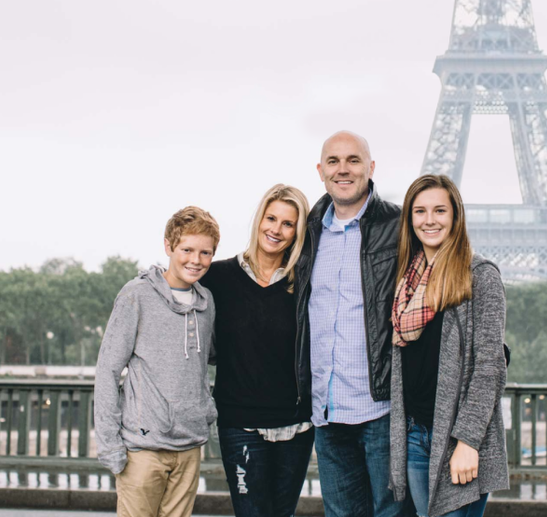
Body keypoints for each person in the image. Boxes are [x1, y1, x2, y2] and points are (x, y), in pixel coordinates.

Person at [295, 130, 407, 517]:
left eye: (353, 160)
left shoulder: (400, 225)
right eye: (334, 161)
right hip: (326, 410)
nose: (343, 169)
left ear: (371, 168)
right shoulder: (306, 233)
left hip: (381, 406)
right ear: (320, 171)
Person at [388, 175, 508, 517]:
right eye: (420, 211)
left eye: (440, 210)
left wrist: (467, 441)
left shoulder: (479, 275)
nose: (430, 220)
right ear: (409, 220)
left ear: (456, 216)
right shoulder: (405, 281)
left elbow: (490, 365)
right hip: (415, 434)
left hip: (459, 438)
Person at [94, 206, 220, 517]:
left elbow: (202, 364)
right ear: (168, 246)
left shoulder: (207, 303)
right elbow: (108, 370)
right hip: (142, 448)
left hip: (189, 446)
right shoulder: (136, 296)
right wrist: (110, 445)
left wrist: (206, 411)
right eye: (187, 249)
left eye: (205, 253)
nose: (196, 260)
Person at [202, 184, 314, 517]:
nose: (276, 230)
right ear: (259, 220)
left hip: (296, 426)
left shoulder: (304, 283)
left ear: (297, 232)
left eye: (288, 223)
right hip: (240, 423)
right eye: (271, 218)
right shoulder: (218, 277)